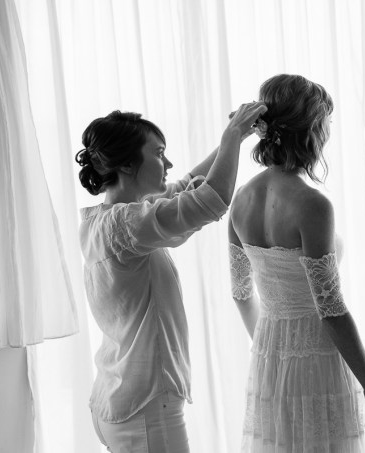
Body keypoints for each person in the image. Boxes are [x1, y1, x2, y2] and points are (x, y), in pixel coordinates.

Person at [76, 103, 266, 453]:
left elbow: (182, 187)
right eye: (159, 153)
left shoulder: (102, 220)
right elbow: (210, 200)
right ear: (127, 165)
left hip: (117, 397)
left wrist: (236, 140)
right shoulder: (125, 224)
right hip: (145, 409)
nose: (169, 163)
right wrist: (232, 134)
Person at [228, 74, 365, 452]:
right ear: (312, 129)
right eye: (326, 122)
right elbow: (330, 308)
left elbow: (240, 292)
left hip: (268, 356)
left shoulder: (241, 199)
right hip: (317, 357)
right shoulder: (312, 204)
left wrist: (272, 347)